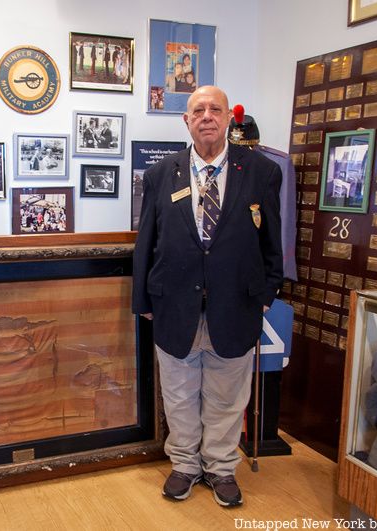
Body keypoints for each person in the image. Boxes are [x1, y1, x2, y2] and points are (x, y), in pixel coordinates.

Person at [132, 86, 283, 508]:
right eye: (198, 110)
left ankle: (219, 468)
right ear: (186, 120)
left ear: (228, 119)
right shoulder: (162, 174)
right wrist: (141, 298)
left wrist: (268, 292)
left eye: (215, 109)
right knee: (178, 393)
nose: (207, 116)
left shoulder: (262, 172)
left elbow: (274, 240)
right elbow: (147, 240)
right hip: (173, 304)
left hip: (237, 304)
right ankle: (184, 465)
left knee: (228, 396)